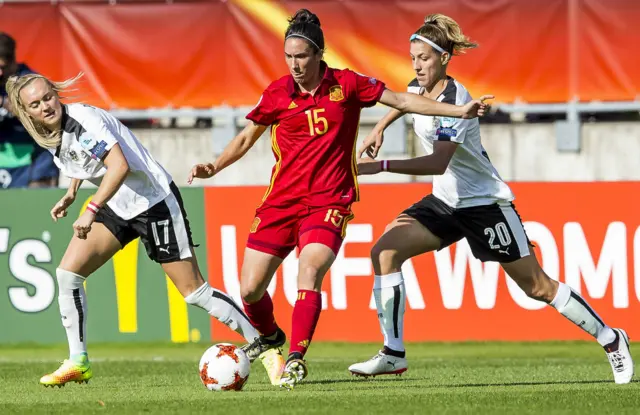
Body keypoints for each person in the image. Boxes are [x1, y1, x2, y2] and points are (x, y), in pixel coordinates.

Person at [188, 8, 492, 389]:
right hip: (281, 202)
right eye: (289, 57)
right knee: (249, 289)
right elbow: (246, 138)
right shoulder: (277, 92)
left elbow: (403, 100)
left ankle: (296, 358)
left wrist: (459, 110)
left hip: (329, 200)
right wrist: (214, 167)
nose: (295, 65)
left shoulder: (346, 85)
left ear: (318, 55)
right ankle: (271, 338)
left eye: (302, 56)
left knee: (309, 270)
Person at [348, 14, 634, 385]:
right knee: (384, 252)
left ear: (445, 59)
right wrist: (381, 129)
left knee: (537, 286)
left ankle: (612, 340)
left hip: (485, 205)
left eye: (424, 58)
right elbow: (405, 102)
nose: (417, 65)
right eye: (413, 57)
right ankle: (393, 353)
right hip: (446, 203)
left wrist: (381, 166)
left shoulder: (458, 99)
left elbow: (438, 162)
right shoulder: (419, 87)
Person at [5, 72, 284, 388]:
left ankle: (267, 346)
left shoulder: (81, 122)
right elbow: (82, 160)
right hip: (118, 204)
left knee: (195, 292)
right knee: (68, 275)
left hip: (153, 201)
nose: (45, 106)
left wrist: (90, 210)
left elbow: (119, 166)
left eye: (48, 97)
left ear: (57, 94)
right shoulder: (52, 134)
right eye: (36, 103)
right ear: (27, 112)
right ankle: (78, 362)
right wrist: (71, 193)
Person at [0, 32, 58, 188]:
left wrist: (3, 102)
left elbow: (47, 119)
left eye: (2, 67)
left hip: (33, 166)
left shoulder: (31, 82)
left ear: (13, 61)